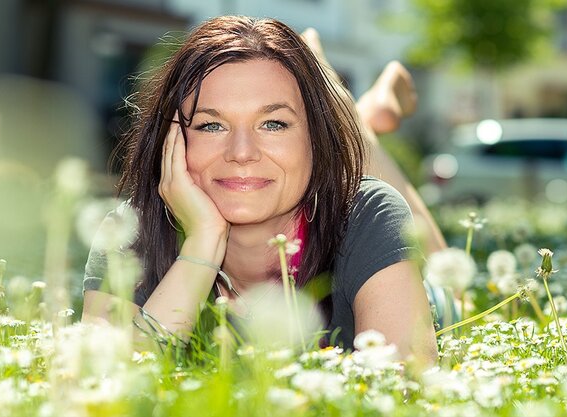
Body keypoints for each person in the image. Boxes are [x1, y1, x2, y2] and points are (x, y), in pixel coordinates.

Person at [82, 15, 441, 365]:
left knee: (440, 269)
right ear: (171, 140)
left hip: (422, 286)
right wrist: (201, 246)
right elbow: (101, 390)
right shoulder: (128, 232)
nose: (241, 153)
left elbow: (407, 385)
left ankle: (351, 117)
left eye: (273, 123)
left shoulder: (367, 213)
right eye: (211, 125)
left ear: (314, 139)